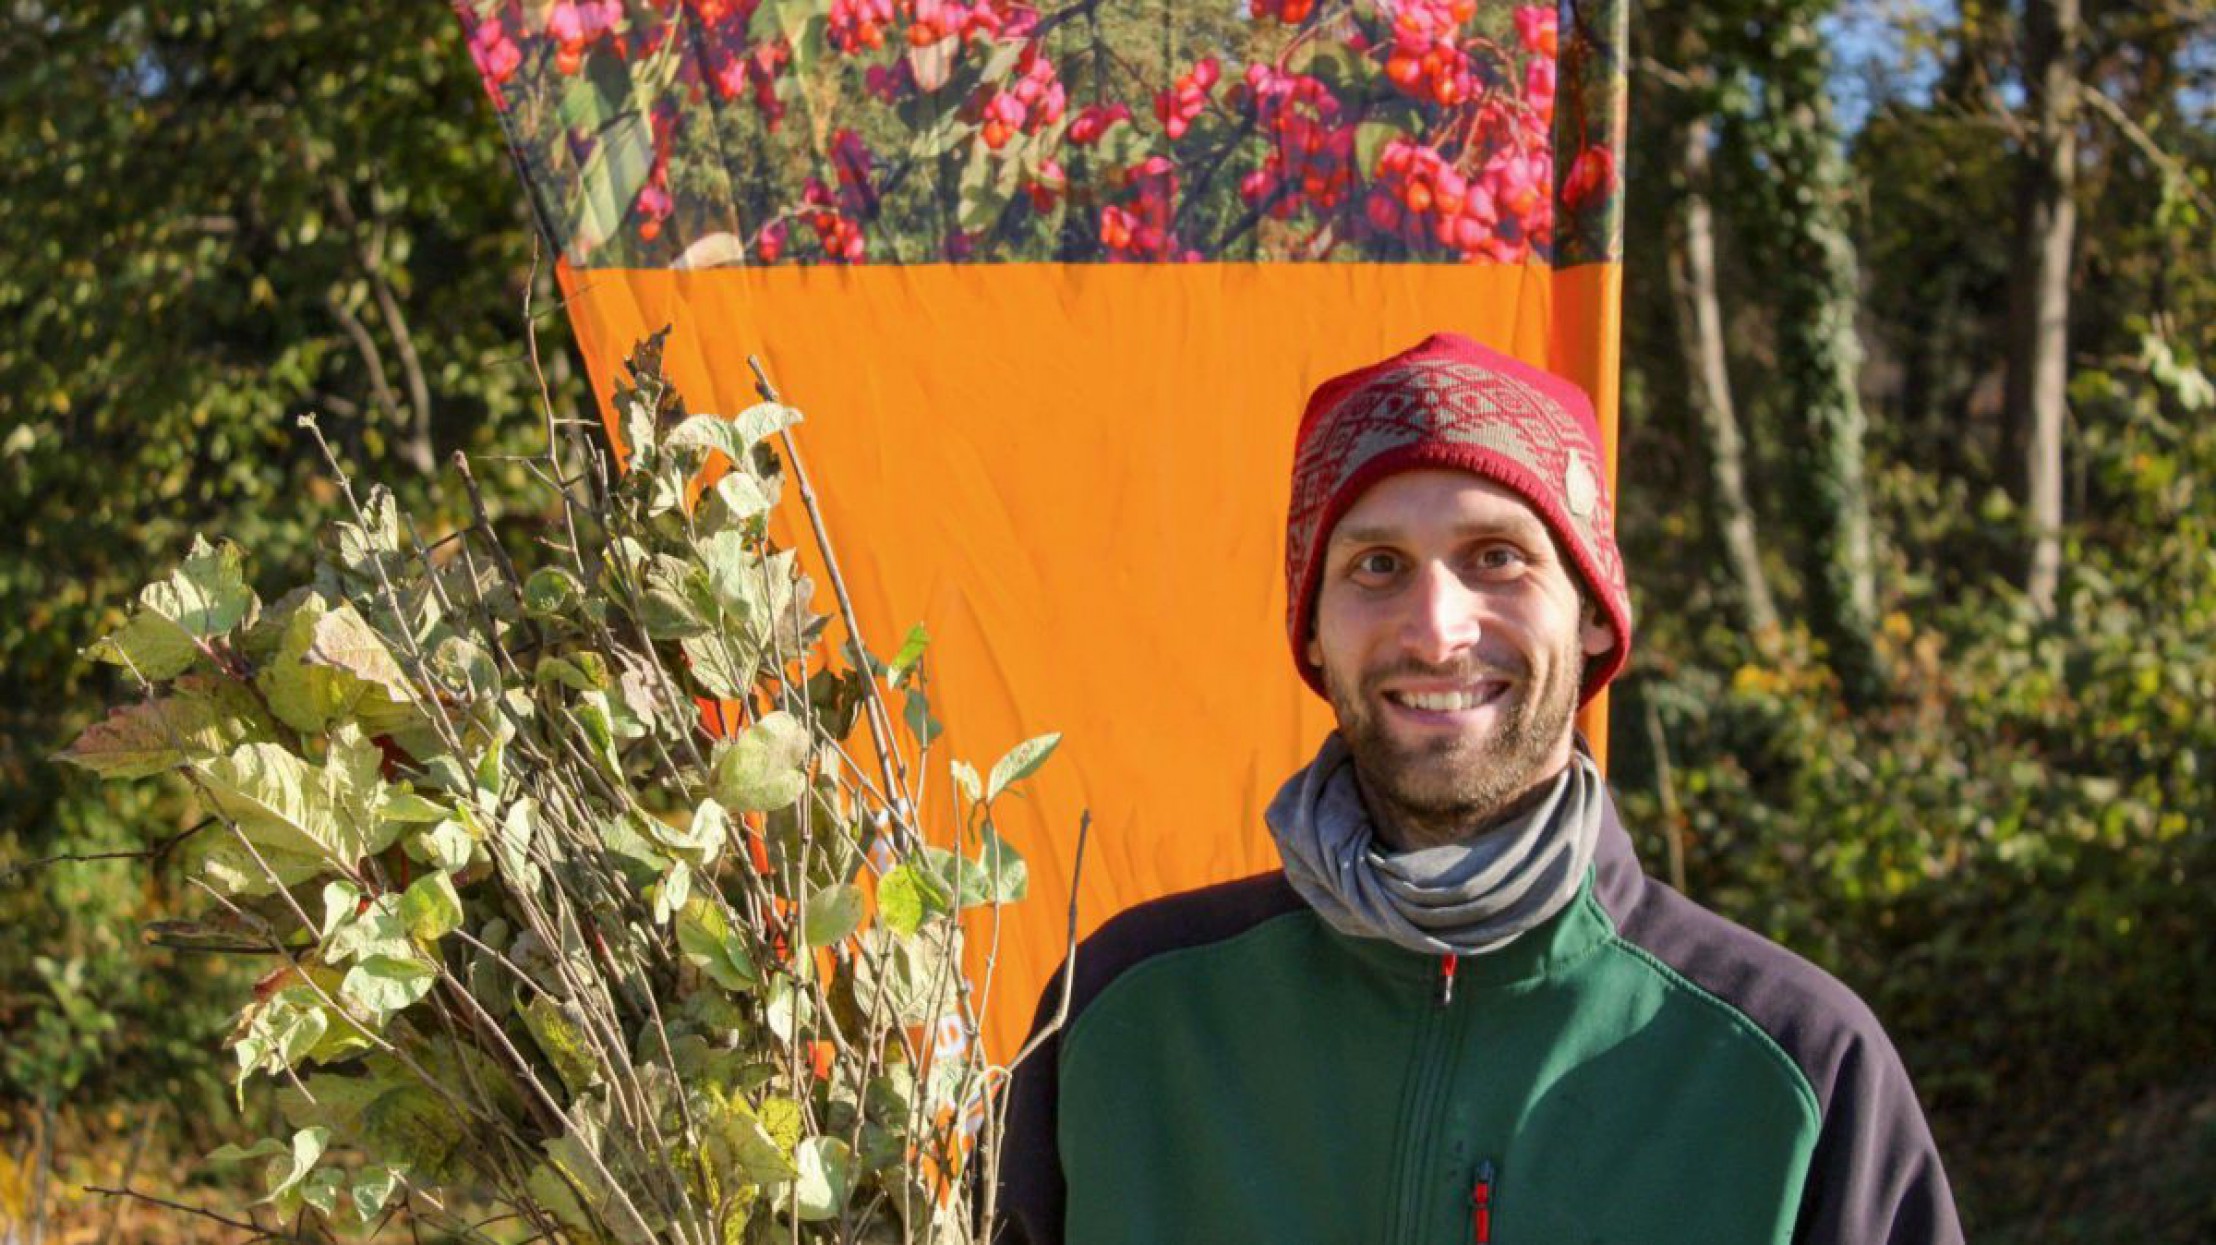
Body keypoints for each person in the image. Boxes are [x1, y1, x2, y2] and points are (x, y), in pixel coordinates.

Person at [994, 332, 1963, 1244]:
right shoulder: (1119, 1021)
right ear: (1311, 632)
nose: (1435, 628)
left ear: (1590, 613)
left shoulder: (1794, 1071)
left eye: (1496, 558)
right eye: (1376, 566)